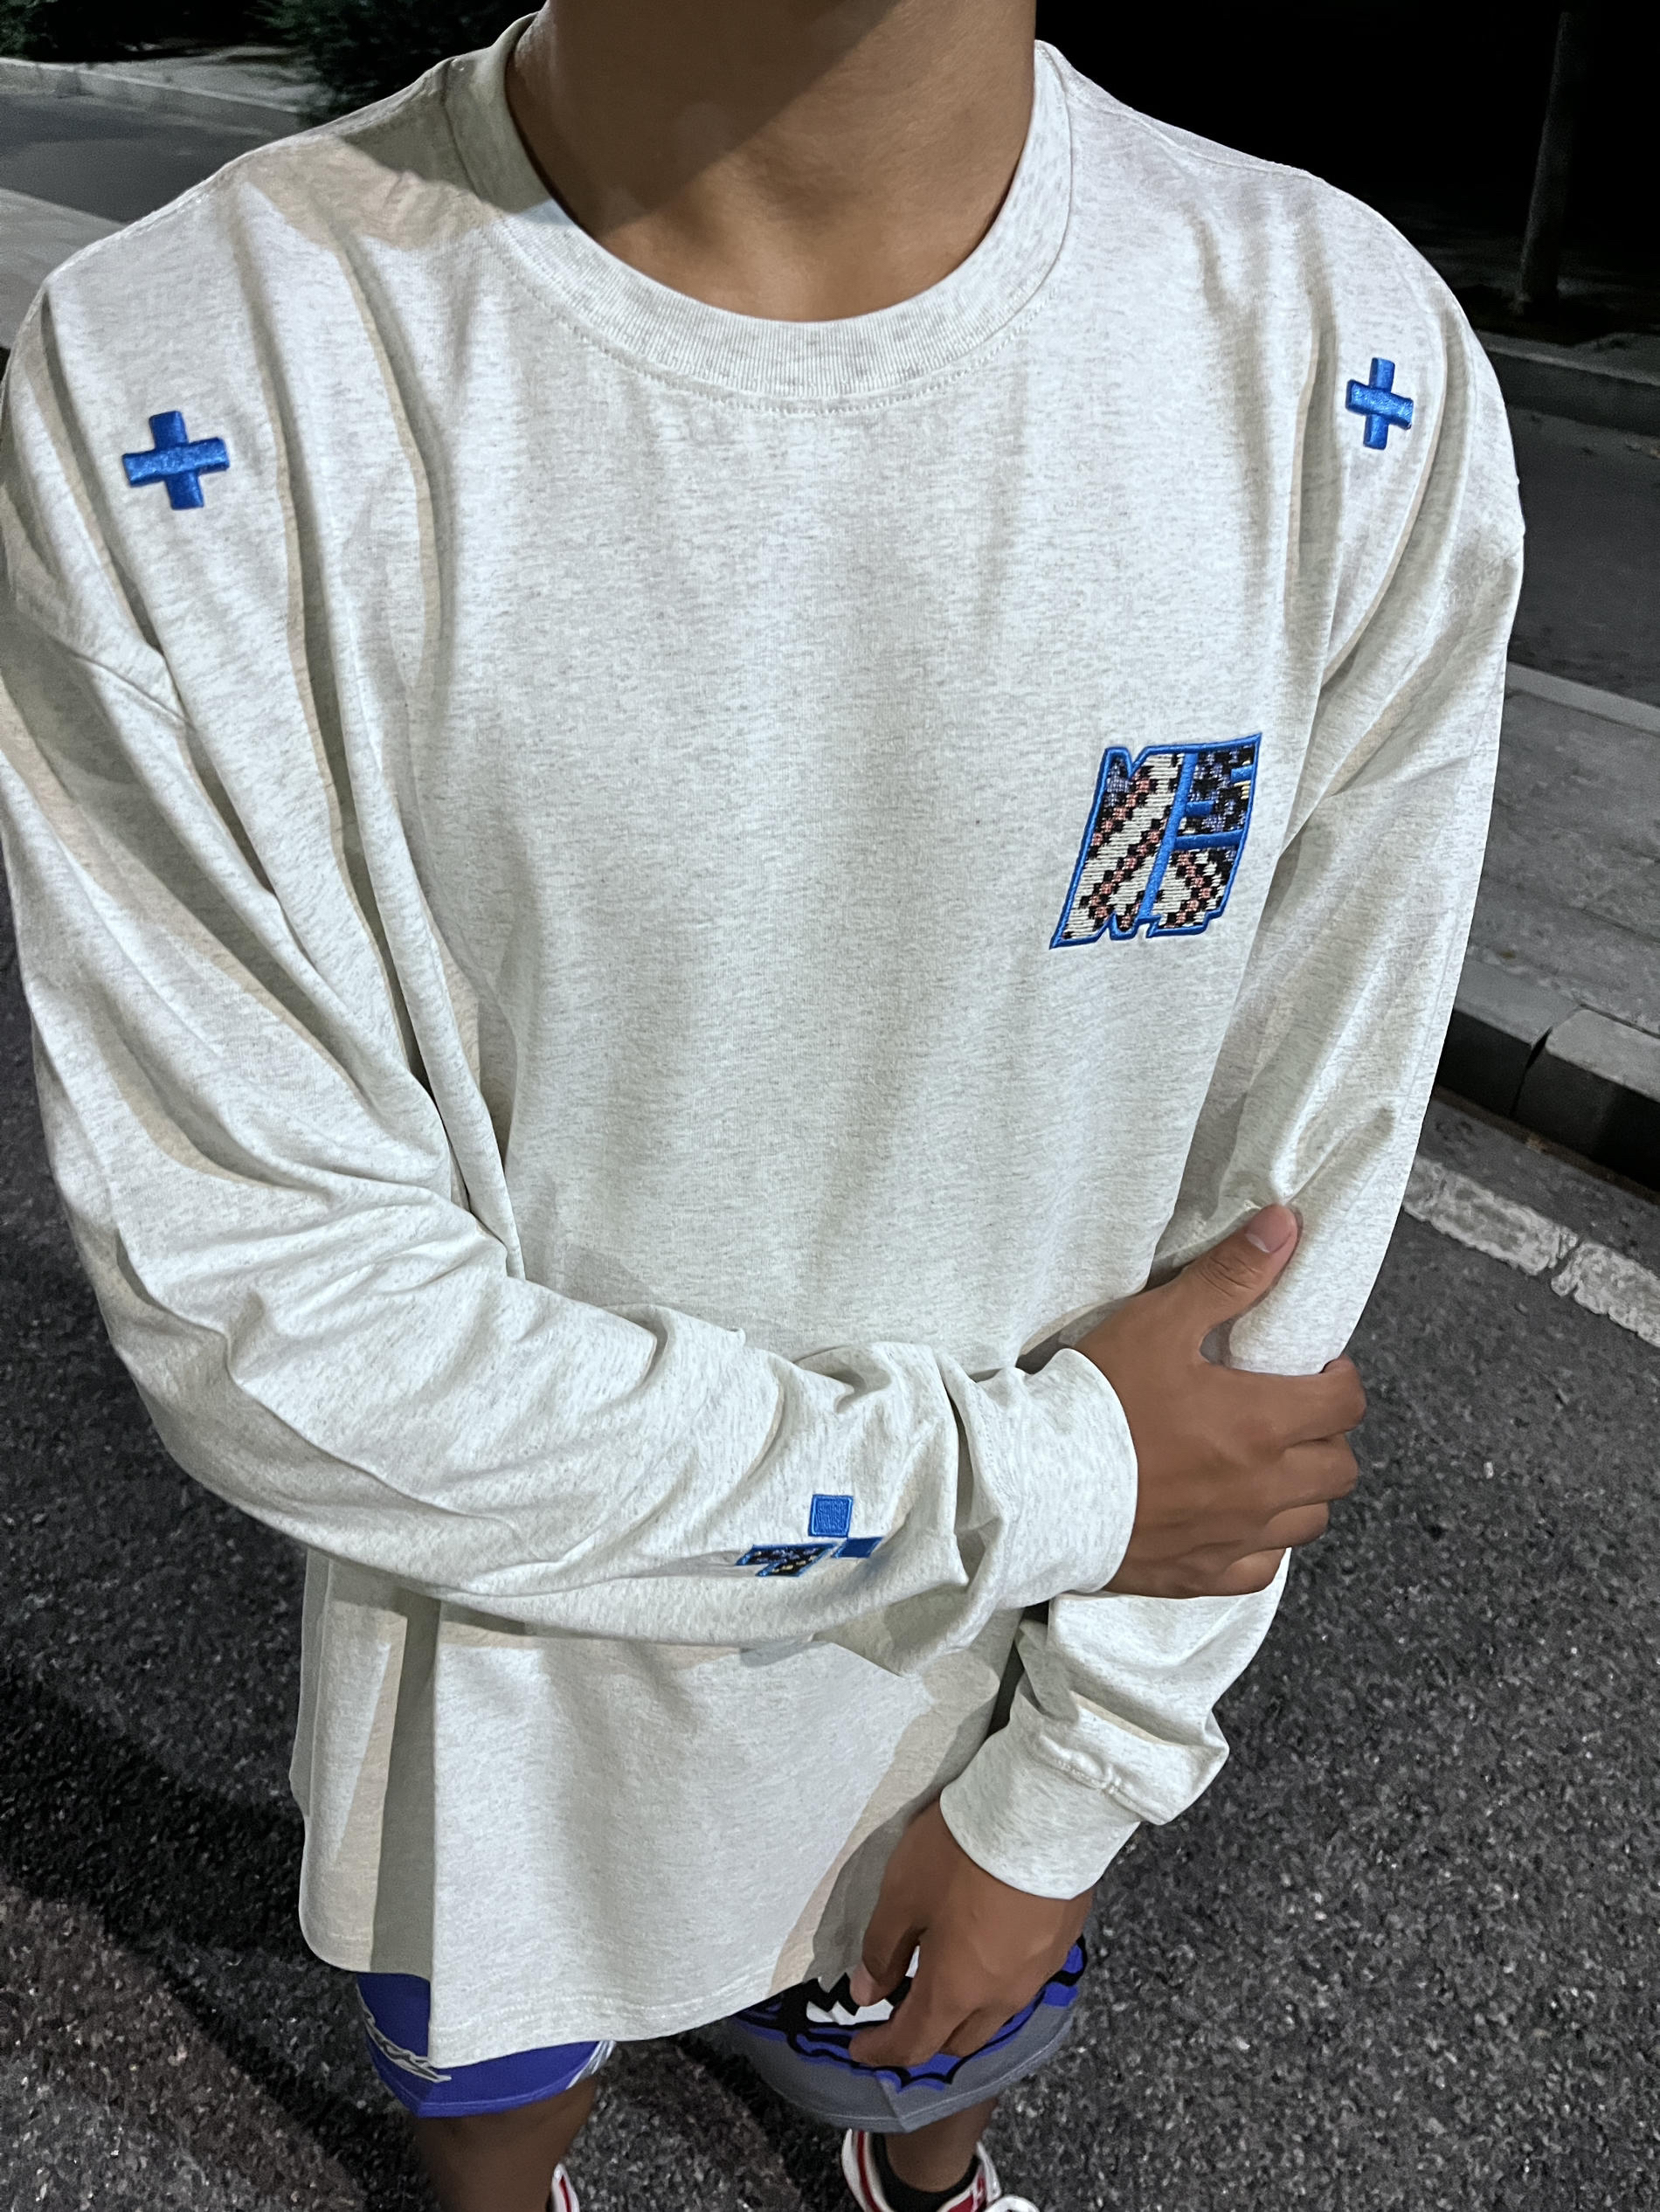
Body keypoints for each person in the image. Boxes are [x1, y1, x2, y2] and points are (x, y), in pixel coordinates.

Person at [0, 1, 1521, 2207]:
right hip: (520, 1711)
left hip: (971, 1693)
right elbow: (274, 1308)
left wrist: (1076, 1779)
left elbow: (1282, 1225)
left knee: (927, 2074)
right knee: (490, 2107)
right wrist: (1046, 1479)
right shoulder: (199, 372)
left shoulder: (1333, 360)